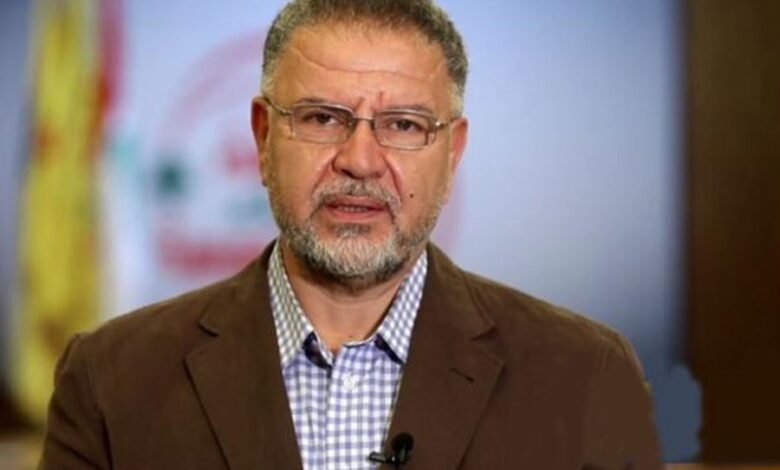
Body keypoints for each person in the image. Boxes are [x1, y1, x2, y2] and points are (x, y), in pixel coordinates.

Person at [39, 0, 662, 469]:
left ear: (453, 152)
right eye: (321, 118)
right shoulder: (109, 382)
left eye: (404, 125)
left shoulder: (588, 376)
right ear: (262, 136)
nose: (360, 161)